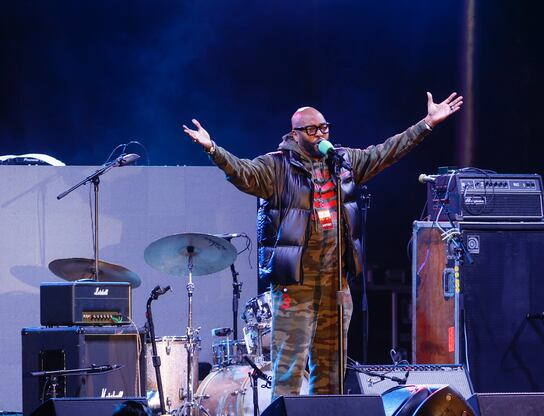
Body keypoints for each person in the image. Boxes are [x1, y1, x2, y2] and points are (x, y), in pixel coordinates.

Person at [182, 92, 462, 399]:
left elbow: (386, 152)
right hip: (295, 288)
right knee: (289, 374)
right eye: (312, 130)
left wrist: (427, 124)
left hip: (336, 287)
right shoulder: (277, 167)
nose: (320, 135)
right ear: (295, 134)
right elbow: (243, 172)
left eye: (324, 128)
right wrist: (213, 149)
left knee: (330, 377)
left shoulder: (342, 163)